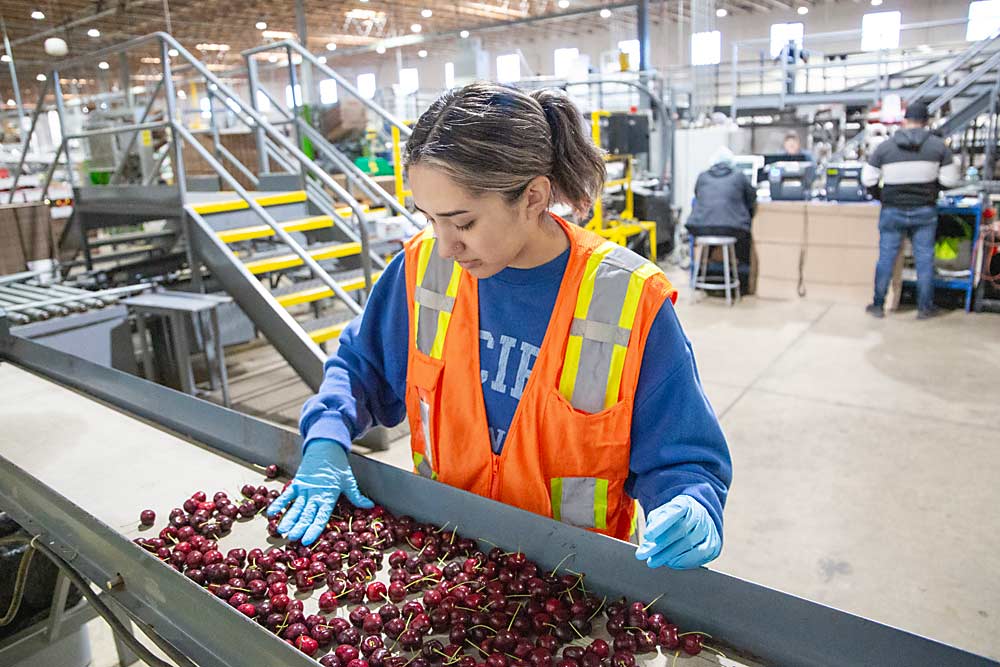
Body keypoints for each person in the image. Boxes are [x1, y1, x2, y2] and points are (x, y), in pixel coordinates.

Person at [267, 83, 732, 571]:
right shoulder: (423, 268)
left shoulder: (628, 300)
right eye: (430, 219)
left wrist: (691, 504)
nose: (445, 245)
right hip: (445, 559)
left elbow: (682, 457)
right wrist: (325, 434)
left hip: (574, 584)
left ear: (533, 196)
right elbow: (360, 368)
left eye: (463, 222)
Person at [861, 101, 960, 319]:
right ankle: (924, 308)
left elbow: (868, 179)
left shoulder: (885, 147)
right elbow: (951, 180)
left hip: (892, 210)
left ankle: (878, 305)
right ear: (927, 121)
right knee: (924, 259)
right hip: (924, 210)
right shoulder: (938, 147)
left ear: (905, 120)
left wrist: (882, 197)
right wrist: (931, 191)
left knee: (886, 257)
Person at [685, 147, 757, 292]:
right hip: (731, 228)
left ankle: (702, 277)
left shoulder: (702, 176)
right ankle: (742, 282)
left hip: (700, 227)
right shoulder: (740, 176)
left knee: (713, 231)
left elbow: (698, 196)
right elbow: (752, 199)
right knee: (744, 239)